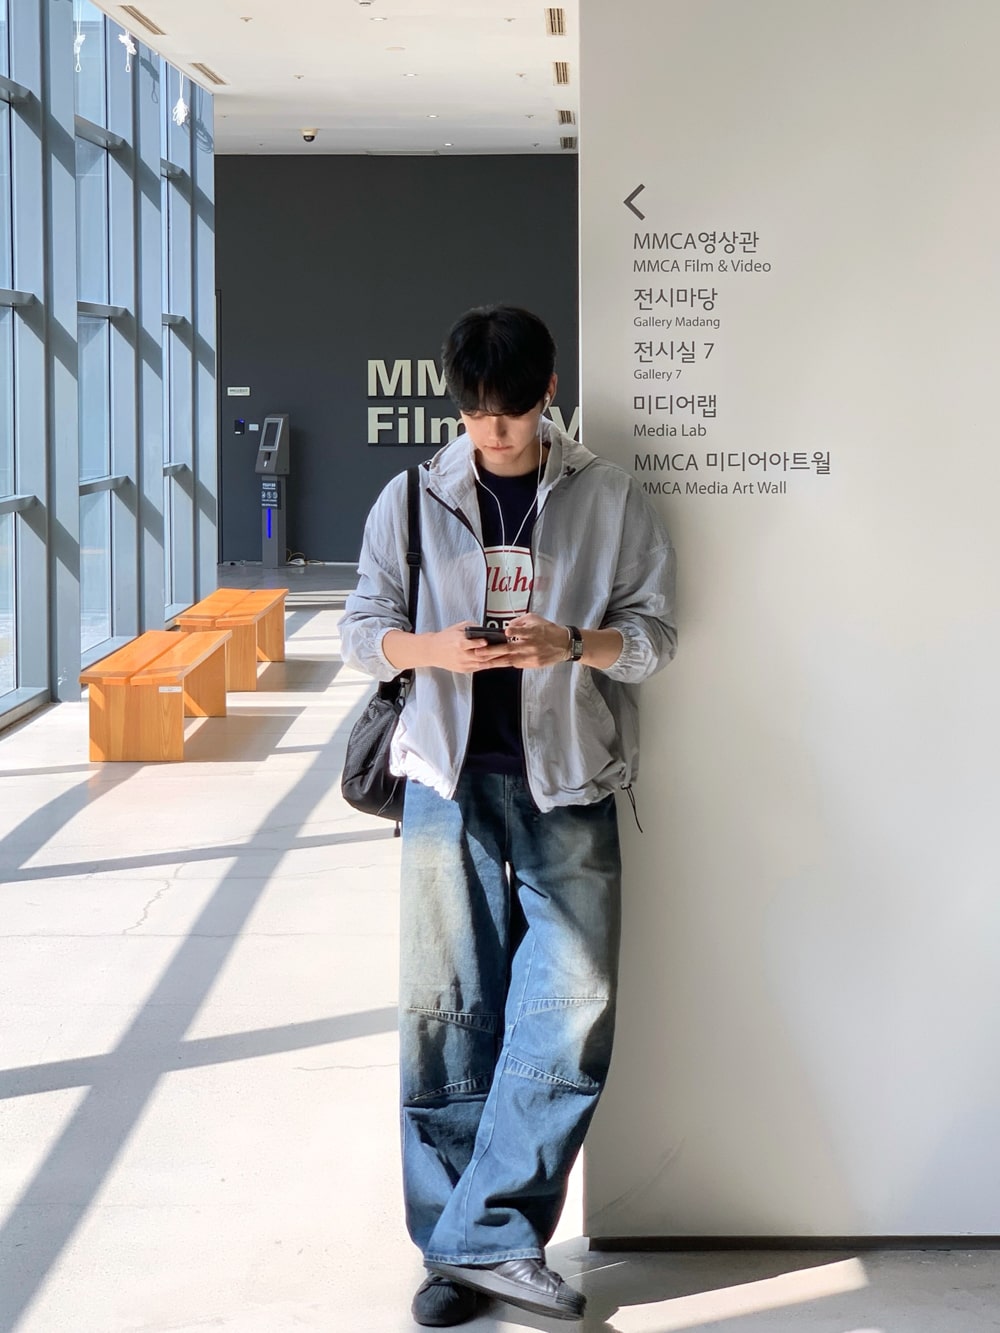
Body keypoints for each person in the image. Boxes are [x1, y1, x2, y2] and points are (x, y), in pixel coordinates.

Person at [340, 306, 676, 1326]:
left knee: (573, 1010)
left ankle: (479, 1236)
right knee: (446, 1016)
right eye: (477, 409)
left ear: (548, 391)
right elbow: (360, 629)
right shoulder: (413, 496)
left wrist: (569, 642)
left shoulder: (607, 495)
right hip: (446, 784)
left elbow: (654, 637)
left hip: (567, 779)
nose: (494, 429)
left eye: (513, 408)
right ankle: (461, 1249)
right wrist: (429, 650)